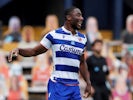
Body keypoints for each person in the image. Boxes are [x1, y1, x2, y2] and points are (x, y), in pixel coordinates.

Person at [8, 7, 91, 100]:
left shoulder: (83, 39)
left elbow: (82, 62)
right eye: (78, 15)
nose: (82, 18)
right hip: (58, 85)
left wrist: (88, 83)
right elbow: (34, 51)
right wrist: (19, 50)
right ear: (69, 17)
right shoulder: (53, 35)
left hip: (74, 87)